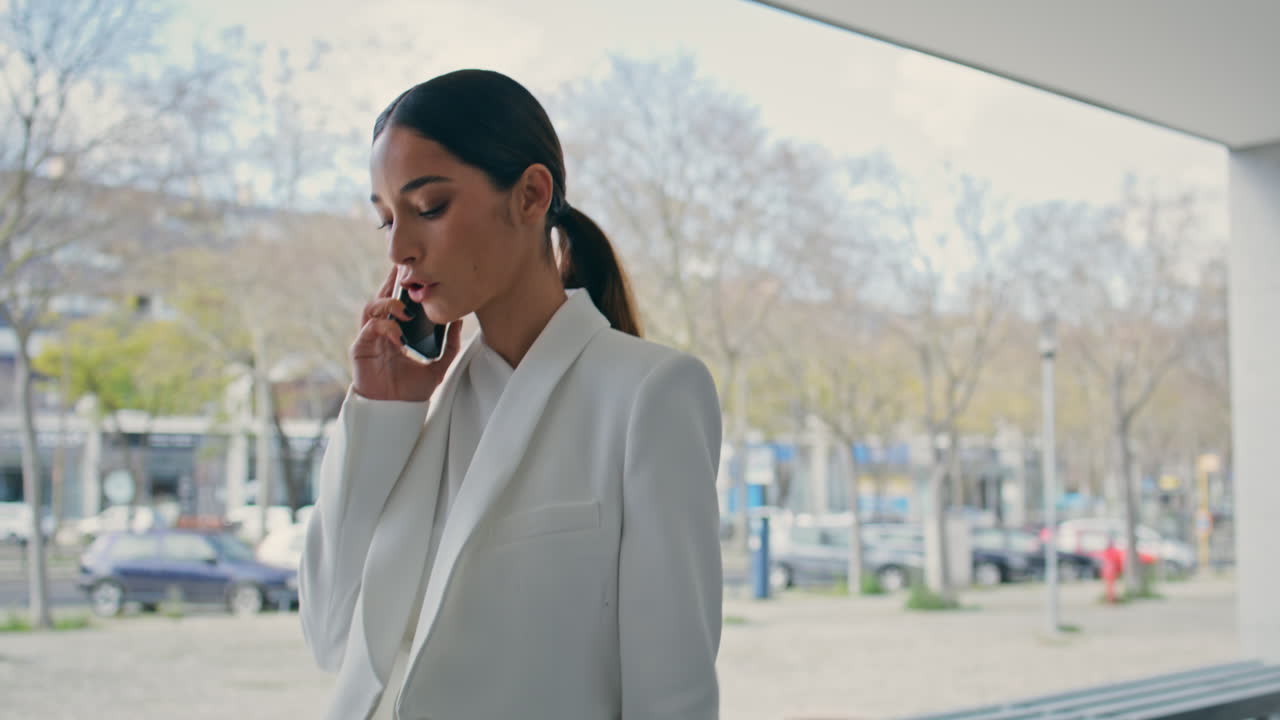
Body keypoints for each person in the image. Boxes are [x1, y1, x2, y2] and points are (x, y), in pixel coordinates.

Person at [299, 69, 724, 720]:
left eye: (429, 207)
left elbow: (673, 697)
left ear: (530, 195)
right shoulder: (416, 410)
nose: (402, 248)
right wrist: (383, 411)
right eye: (385, 220)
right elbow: (330, 636)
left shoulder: (649, 394)